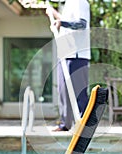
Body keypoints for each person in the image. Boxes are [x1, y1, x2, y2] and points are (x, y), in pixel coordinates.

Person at [47, 0, 91, 131]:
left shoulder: (79, 2)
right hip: (65, 53)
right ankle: (65, 124)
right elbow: (65, 21)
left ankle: (84, 126)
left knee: (79, 93)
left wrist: (62, 23)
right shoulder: (68, 4)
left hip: (77, 54)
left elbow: (81, 24)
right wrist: (53, 13)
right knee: (63, 91)